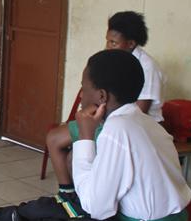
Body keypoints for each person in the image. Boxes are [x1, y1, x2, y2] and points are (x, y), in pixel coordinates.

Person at [71, 49, 191, 221]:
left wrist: (85, 136)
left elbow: (96, 207)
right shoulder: (144, 121)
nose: (81, 95)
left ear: (102, 96)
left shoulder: (117, 129)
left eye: (84, 87)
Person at [47, 10, 165, 198]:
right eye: (107, 41)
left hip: (129, 126)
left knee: (74, 157)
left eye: (113, 43)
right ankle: (67, 194)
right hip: (106, 118)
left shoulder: (146, 67)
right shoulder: (114, 62)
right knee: (54, 138)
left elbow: (138, 111)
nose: (108, 47)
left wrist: (95, 121)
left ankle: (80, 200)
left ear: (131, 43)